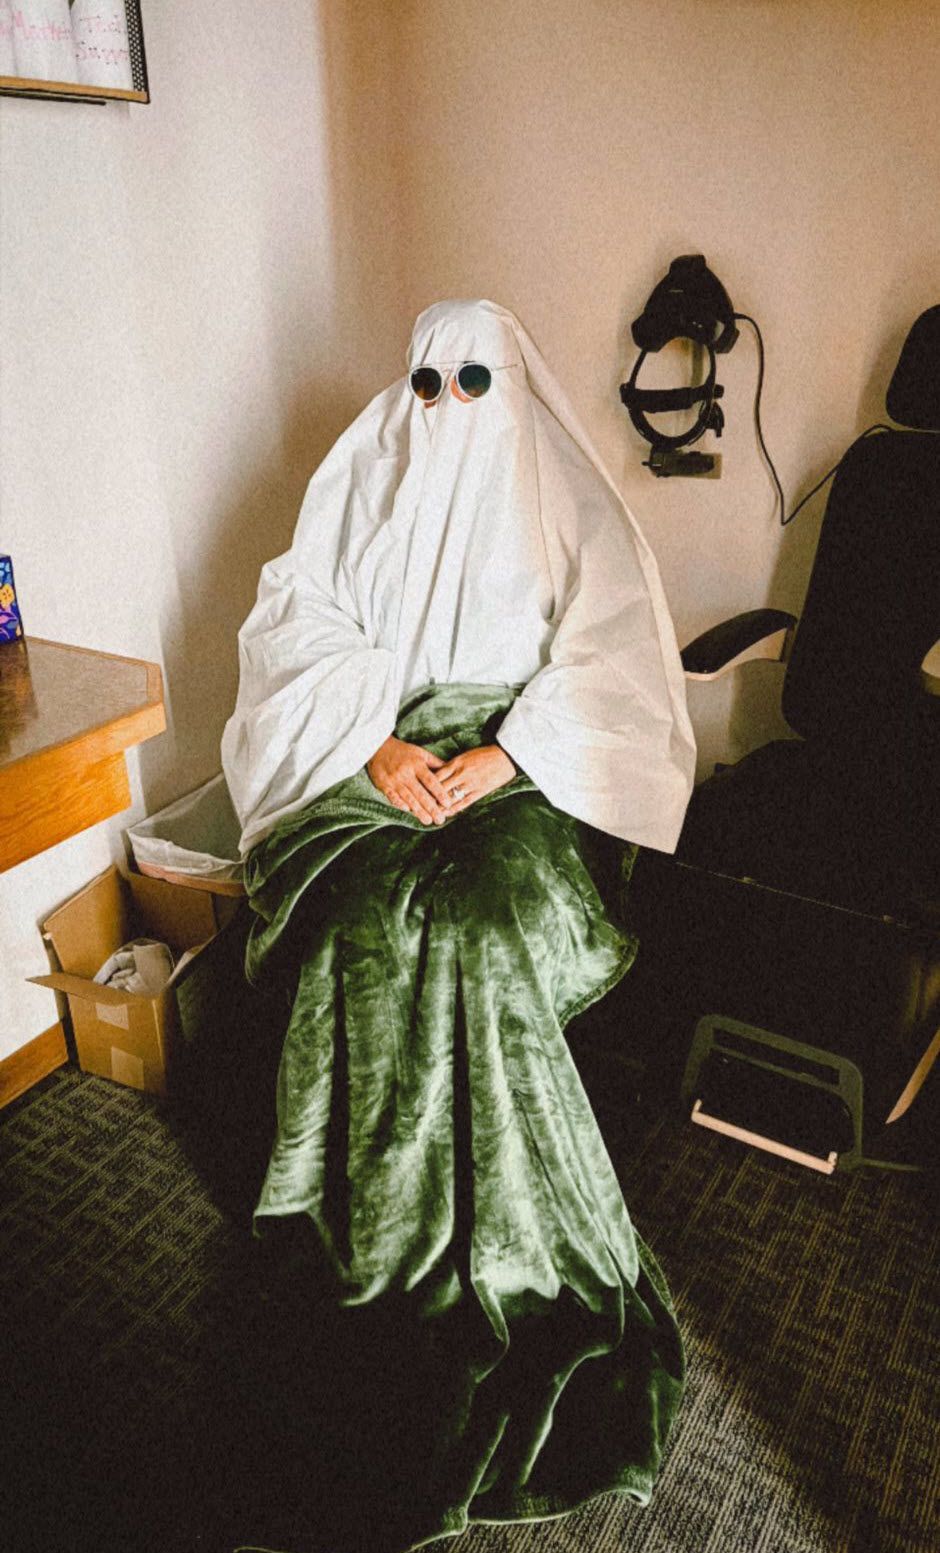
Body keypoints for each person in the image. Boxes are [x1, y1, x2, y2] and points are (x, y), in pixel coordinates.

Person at [221, 299, 696, 1553]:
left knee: (483, 929)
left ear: (514, 377)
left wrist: (502, 756)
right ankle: (364, 1228)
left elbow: (612, 660)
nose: (446, 405)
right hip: (371, 754)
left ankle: (528, 1251)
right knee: (359, 927)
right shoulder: (364, 469)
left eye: (473, 378)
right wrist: (372, 746)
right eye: (427, 380)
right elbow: (291, 628)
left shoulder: (560, 487)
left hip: (516, 762)